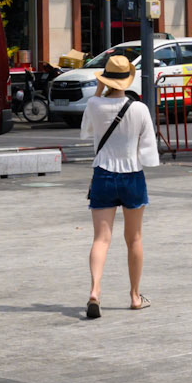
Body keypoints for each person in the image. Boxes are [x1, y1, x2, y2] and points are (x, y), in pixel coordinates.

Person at [79, 52, 159, 316]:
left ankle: (94, 291)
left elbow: (86, 131)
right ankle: (135, 296)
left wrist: (100, 87)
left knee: (101, 239)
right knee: (134, 239)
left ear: (106, 78)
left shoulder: (94, 105)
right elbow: (148, 151)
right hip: (132, 175)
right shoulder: (139, 109)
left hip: (102, 174)